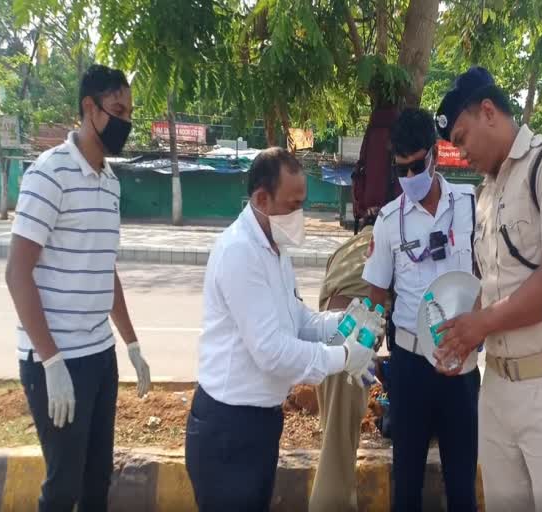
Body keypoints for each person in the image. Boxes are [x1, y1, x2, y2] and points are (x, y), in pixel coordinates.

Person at [432, 66, 542, 511]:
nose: (461, 153)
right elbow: (495, 281)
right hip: (499, 389)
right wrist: (467, 336)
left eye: (462, 138)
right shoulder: (488, 191)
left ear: (488, 112)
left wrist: (478, 324)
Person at [184, 147, 378, 511]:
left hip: (259, 422)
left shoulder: (275, 250)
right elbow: (272, 352)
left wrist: (345, 322)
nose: (299, 216)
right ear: (261, 198)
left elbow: (298, 320)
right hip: (228, 428)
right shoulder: (240, 253)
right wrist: (343, 357)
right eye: (292, 205)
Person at [5, 64, 151, 512]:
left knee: (95, 482)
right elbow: (17, 272)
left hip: (99, 355)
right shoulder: (49, 174)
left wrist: (130, 343)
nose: (126, 121)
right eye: (118, 109)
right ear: (89, 108)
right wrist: (50, 361)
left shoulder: (110, 182)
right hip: (57, 360)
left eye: (129, 110)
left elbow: (104, 271)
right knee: (63, 485)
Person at [362, 108, 480, 511]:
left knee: (462, 481)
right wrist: (357, 350)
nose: (410, 178)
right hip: (411, 367)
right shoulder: (388, 222)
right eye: (402, 169)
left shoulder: (470, 205)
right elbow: (375, 296)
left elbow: (488, 277)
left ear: (434, 154)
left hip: (462, 362)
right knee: (407, 481)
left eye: (417, 166)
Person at [309, 217, 382, 512]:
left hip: (329, 333)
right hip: (354, 343)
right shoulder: (388, 244)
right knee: (337, 453)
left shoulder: (344, 249)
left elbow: (325, 298)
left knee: (334, 440)